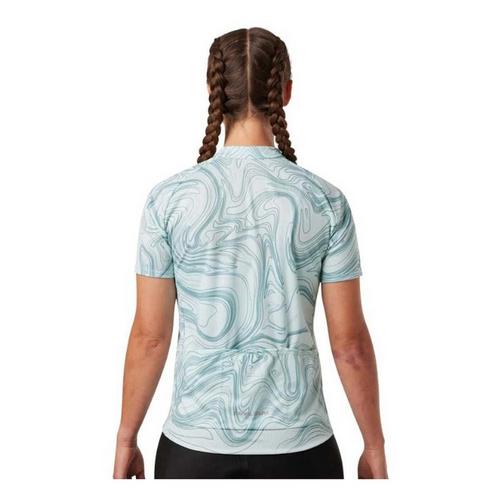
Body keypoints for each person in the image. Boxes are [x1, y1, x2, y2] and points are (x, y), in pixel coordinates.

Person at [113, 27, 388, 480]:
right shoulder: (324, 201)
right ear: (286, 92)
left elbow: (150, 338)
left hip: (193, 448)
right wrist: (374, 444)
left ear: (213, 93)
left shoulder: (169, 200)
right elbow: (350, 345)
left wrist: (126, 438)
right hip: (301, 447)